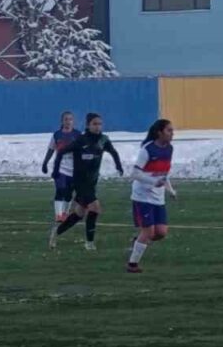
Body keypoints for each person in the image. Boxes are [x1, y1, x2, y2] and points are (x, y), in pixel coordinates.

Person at [49, 112, 123, 251]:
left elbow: (114, 152)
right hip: (80, 182)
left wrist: (119, 166)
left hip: (92, 182)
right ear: (88, 125)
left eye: (100, 124)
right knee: (95, 208)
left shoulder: (103, 140)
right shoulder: (81, 140)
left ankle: (56, 231)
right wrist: (56, 170)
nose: (98, 126)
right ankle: (89, 243)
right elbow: (61, 152)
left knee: (79, 213)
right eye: (94, 124)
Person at [128, 118, 175, 274]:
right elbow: (135, 174)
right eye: (169, 130)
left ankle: (138, 242)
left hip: (158, 197)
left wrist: (170, 189)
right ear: (159, 132)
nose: (172, 133)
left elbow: (164, 173)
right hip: (142, 196)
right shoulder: (147, 150)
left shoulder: (169, 149)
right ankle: (132, 264)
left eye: (172, 130)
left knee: (161, 232)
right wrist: (153, 182)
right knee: (148, 232)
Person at [40, 111, 80, 225]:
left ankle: (65, 214)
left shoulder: (78, 135)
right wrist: (45, 163)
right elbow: (51, 149)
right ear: (62, 121)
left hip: (74, 169)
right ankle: (58, 215)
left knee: (68, 194)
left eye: (70, 119)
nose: (68, 121)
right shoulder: (57, 135)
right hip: (60, 168)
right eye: (66, 119)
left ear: (73, 121)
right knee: (60, 190)